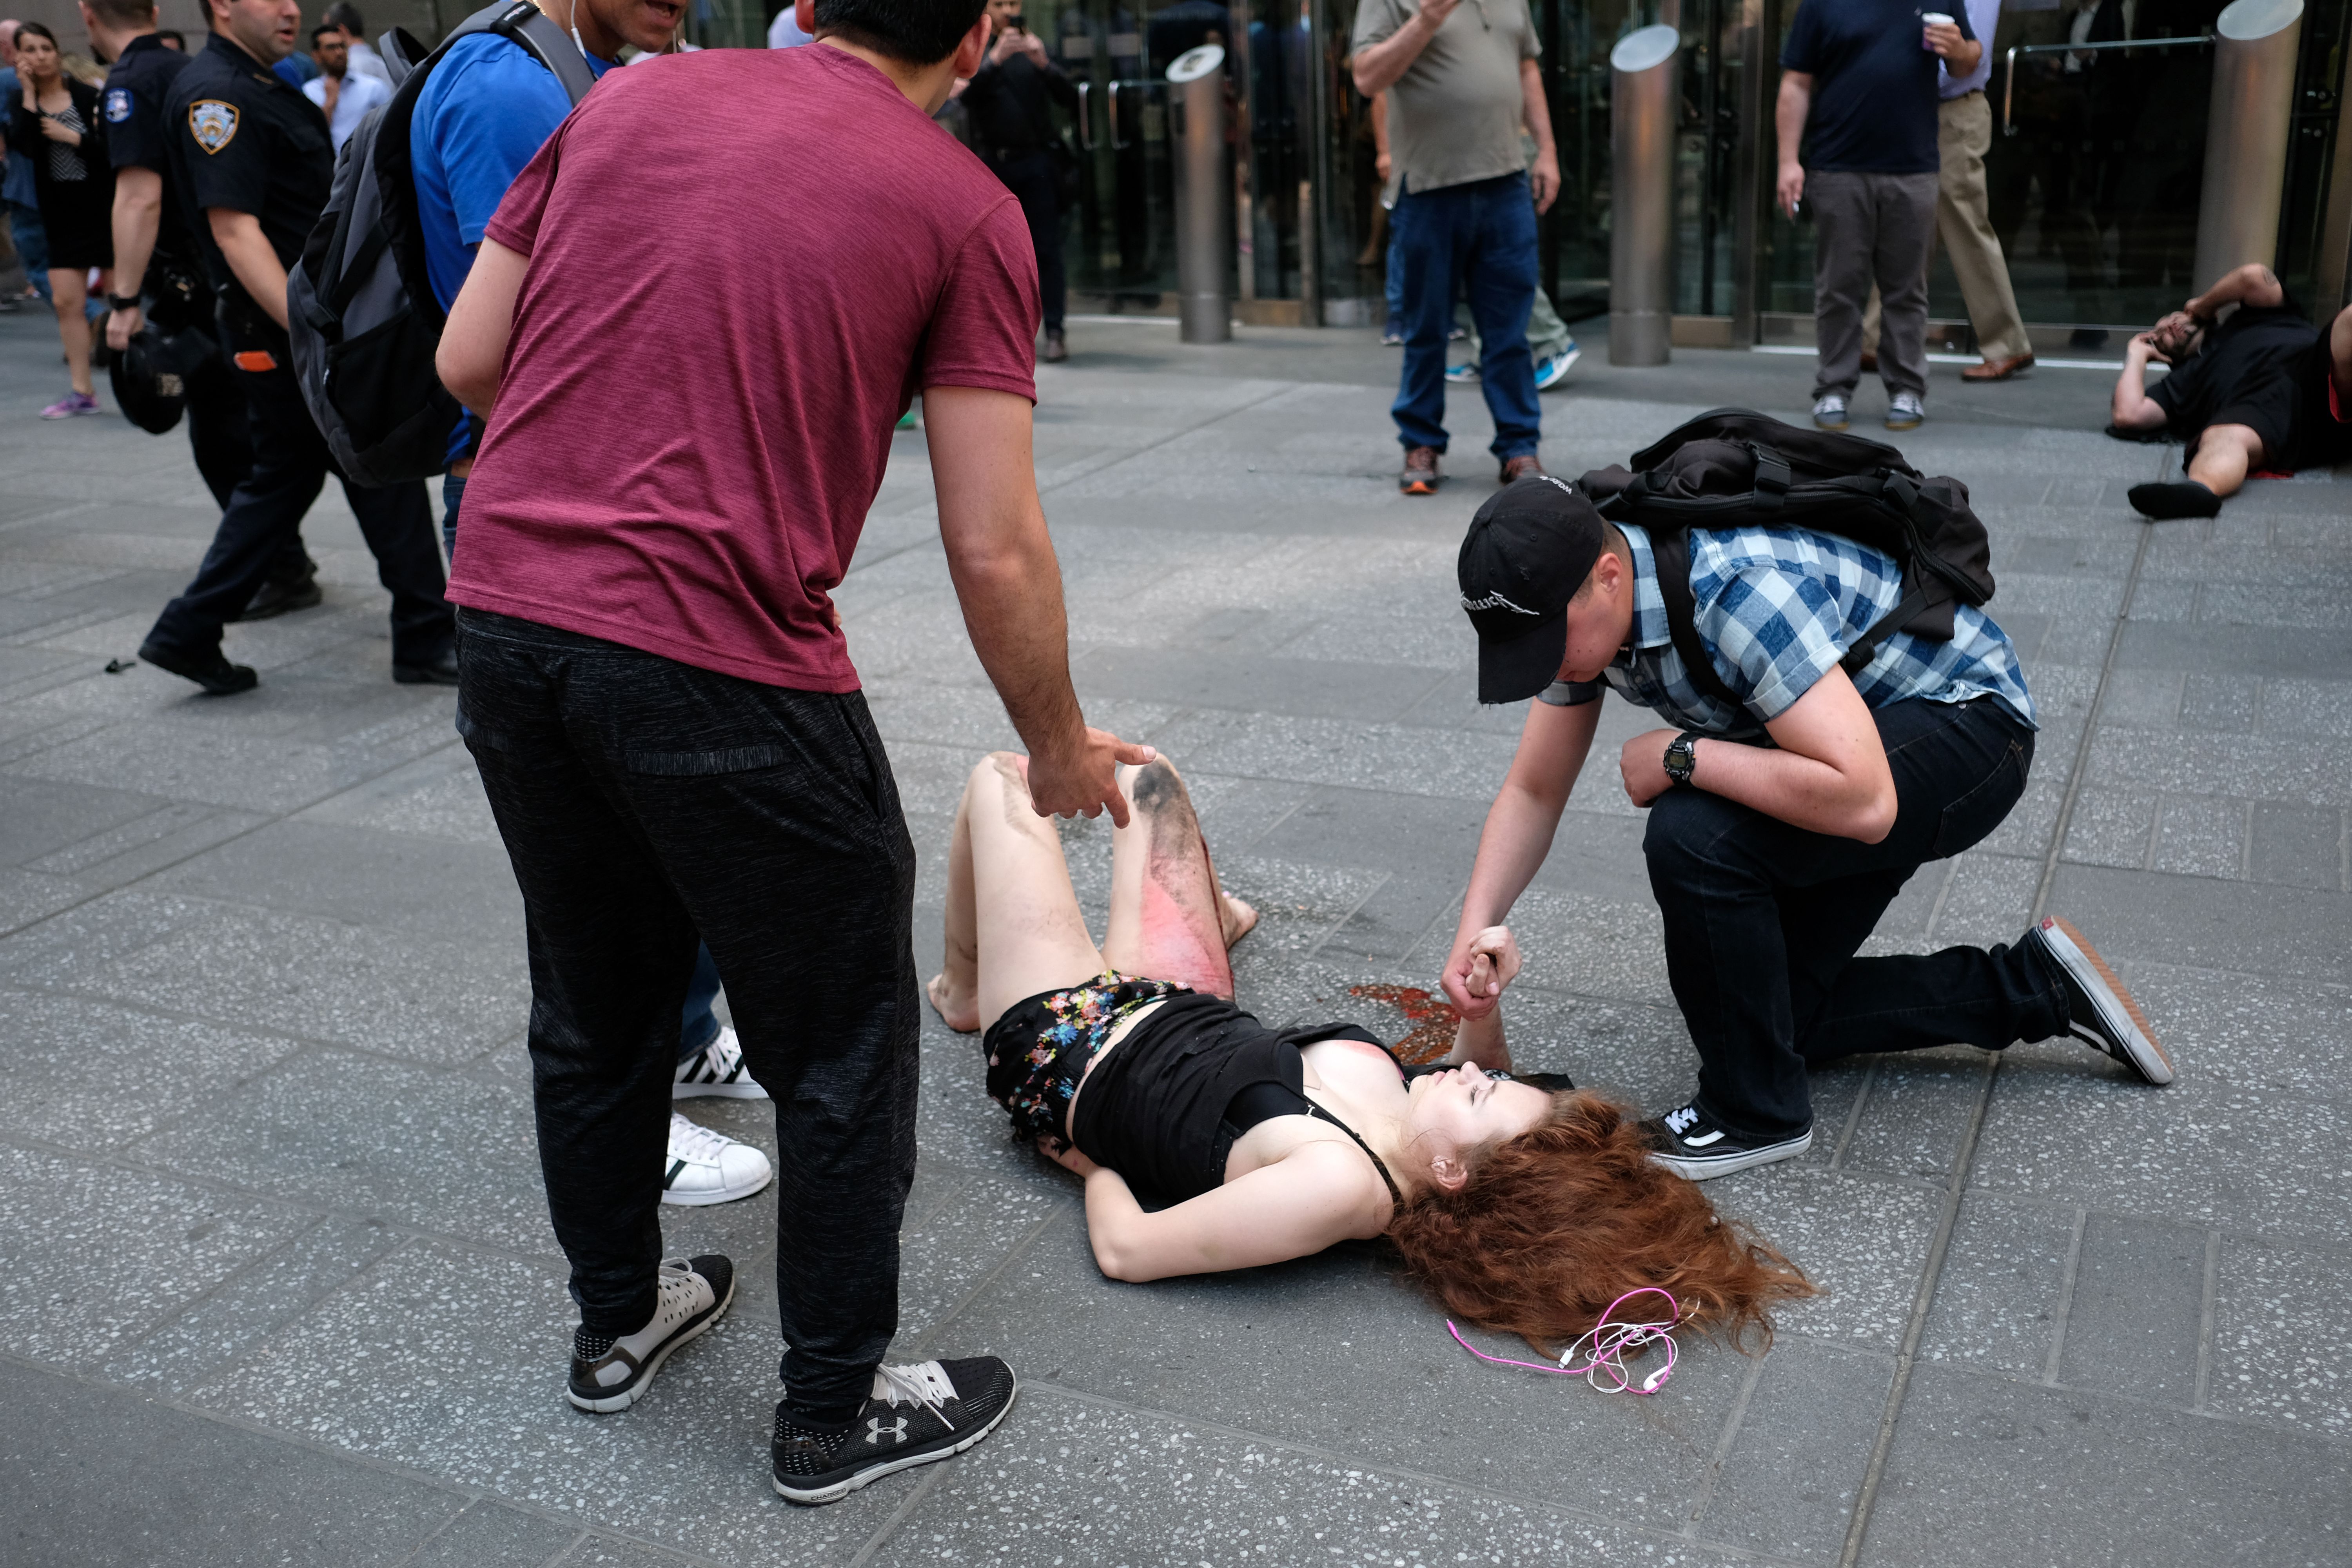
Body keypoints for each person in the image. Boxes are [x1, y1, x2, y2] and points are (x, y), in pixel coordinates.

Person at [432, 0, 1149, 1504]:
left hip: (505, 619)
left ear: (813, 2)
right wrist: (1058, 744)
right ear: (978, 34)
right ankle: (832, 1407)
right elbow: (992, 539)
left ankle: (617, 1320)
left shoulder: (625, 102)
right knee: (839, 1034)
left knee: (593, 1000)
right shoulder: (964, 206)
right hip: (719, 655)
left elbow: (469, 356)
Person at [928, 747, 1816, 1348]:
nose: (1476, 1070)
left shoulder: (1339, 1186)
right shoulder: (1412, 1131)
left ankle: (968, 987)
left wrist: (1088, 1166)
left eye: (1477, 1093)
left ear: (1457, 1173)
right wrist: (1484, 1003)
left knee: (1006, 779)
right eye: (1486, 1075)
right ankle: (1218, 912)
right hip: (1175, 1005)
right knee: (1145, 777)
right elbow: (1487, 1078)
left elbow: (1130, 1249)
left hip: (1063, 1035)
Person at [1444, 475, 2176, 1181]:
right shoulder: (1581, 608)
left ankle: (1755, 1114)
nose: (1546, 666)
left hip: (1967, 735)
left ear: (1609, 575)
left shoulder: (1734, 592)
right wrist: (1472, 933)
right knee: (1763, 1017)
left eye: (1545, 644)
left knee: (1692, 833)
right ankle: (2034, 986)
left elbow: (1866, 802)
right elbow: (1536, 791)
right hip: (1845, 745)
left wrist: (1682, 755)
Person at [407, 0, 774, 1205]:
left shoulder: (577, 73)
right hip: (550, 505)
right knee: (603, 873)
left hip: (595, 498)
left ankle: (683, 1041)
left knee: (666, 834)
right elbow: (498, 340)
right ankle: (638, 1122)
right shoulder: (511, 89)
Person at [141, 0, 453, 695]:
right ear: (221, 6)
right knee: (379, 461)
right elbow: (235, 232)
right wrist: (314, 333)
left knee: (283, 482)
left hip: (291, 331)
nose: (291, 8)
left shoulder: (265, 81)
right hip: (283, 334)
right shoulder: (218, 94)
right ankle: (427, 638)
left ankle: (186, 631)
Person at [94, 0, 321, 620]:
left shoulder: (149, 81)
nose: (291, 9)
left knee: (239, 449)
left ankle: (271, 576)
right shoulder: (189, 71)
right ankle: (277, 573)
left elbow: (139, 198)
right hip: (246, 295)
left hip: (223, 298)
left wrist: (123, 302)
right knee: (278, 455)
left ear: (88, 15)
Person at [1352, 0, 1559, 494]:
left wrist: (1547, 150)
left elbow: (1527, 68)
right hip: (1428, 188)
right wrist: (1425, 19)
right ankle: (1420, 443)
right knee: (1426, 329)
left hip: (1505, 183)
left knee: (1509, 332)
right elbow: (1366, 77)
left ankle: (1518, 448)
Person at [1777, 0, 1977, 433]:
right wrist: (1788, 161)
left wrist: (1958, 49)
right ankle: (1833, 388)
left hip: (1913, 167)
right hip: (1838, 167)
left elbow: (1968, 64)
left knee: (1907, 289)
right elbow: (1796, 81)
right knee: (1838, 287)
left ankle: (1907, 389)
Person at [1857, 0, 2034, 384]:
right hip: (1917, 111)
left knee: (1967, 225)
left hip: (1953, 112)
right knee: (1904, 228)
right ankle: (1875, 340)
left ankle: (2006, 344)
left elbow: (1972, 55)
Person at [2109, 263, 2352, 520]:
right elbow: (2128, 415)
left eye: (2170, 319)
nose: (2167, 328)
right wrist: (2136, 355)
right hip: (2261, 412)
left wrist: (2203, 305)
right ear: (2164, 356)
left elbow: (2253, 276)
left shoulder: (2250, 318)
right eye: (2159, 337)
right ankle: (2198, 491)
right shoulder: (2181, 381)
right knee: (2223, 437)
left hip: (2315, 368)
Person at [952, 0, 1072, 364]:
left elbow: (1068, 96)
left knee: (1047, 250)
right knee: (992, 255)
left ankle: (1055, 331)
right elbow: (966, 100)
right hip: (993, 165)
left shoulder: (1036, 47)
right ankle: (999, 337)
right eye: (1000, 4)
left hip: (1035, 162)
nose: (1009, 11)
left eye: (1014, 3)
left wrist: (1043, 63)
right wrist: (994, 61)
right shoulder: (978, 52)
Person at [8, 22, 113, 417]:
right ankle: (82, 391)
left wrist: (73, 138)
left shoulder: (86, 96)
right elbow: (27, 147)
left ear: (57, 52)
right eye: (30, 50)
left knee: (122, 301)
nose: (40, 56)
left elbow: (111, 151)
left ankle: (141, 379)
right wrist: (32, 96)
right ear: (20, 58)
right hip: (60, 215)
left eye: (46, 48)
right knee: (69, 303)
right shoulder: (23, 100)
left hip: (100, 209)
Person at [2, 19, 53, 309]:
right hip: (58, 188)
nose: (40, 56)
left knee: (40, 266)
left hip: (27, 187)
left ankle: (92, 317)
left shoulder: (8, 85)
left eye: (44, 48)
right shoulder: (71, 86)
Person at [301, 23, 388, 154]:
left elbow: (390, 131)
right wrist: (329, 103)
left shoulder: (374, 87)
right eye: (331, 48)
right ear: (317, 56)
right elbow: (310, 136)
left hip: (366, 167)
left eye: (342, 46)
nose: (340, 53)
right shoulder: (309, 92)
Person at [319, 1, 390, 86]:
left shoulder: (342, 68)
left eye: (327, 31)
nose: (324, 36)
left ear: (341, 31)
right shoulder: (385, 65)